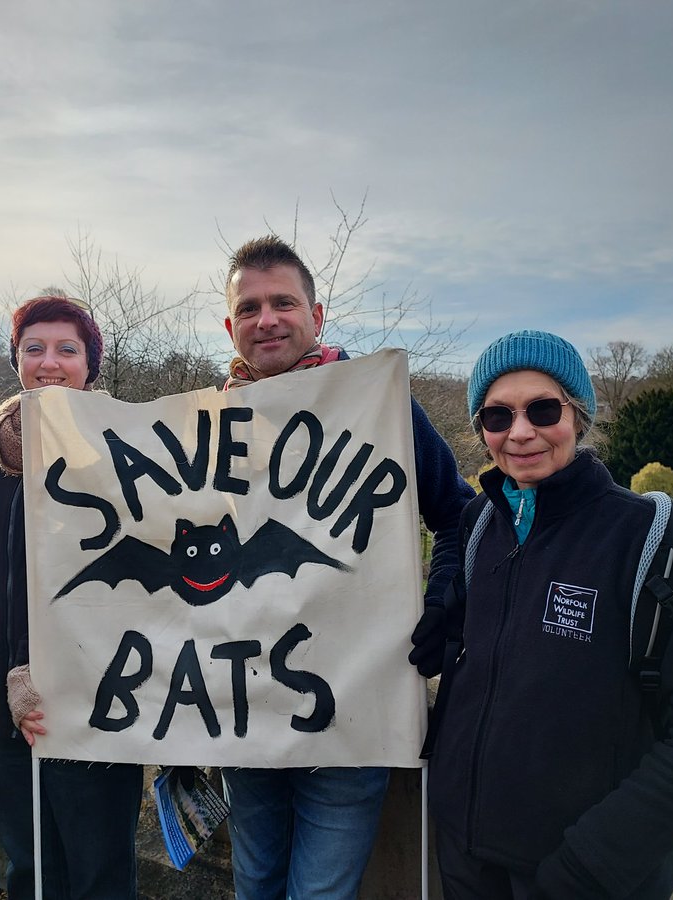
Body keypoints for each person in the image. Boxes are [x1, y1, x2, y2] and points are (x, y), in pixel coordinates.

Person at [423, 330, 673, 899]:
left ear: (579, 416)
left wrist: (588, 868)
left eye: (543, 409)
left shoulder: (654, 539)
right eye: (497, 417)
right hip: (468, 866)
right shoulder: (480, 524)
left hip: (582, 879)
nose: (520, 432)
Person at [219, 236, 474, 900]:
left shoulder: (377, 403)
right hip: (242, 710)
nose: (267, 318)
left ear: (317, 315)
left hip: (352, 709)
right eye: (250, 307)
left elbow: (457, 510)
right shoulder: (206, 424)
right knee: (254, 887)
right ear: (230, 326)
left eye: (283, 302)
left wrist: (442, 599)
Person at [0, 295, 142, 900]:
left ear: (91, 363)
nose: (50, 362)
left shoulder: (127, 450)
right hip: (5, 705)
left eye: (68, 349)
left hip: (97, 701)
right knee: (30, 870)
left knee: (99, 873)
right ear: (16, 361)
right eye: (34, 349)